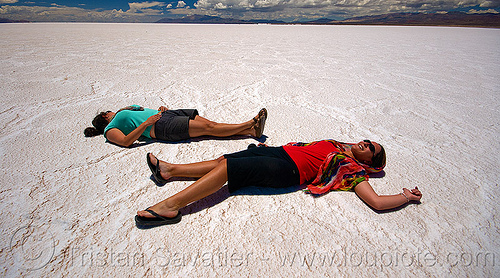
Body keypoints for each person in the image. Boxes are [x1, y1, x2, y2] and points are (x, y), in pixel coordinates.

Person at [135, 139, 422, 227]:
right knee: (224, 160)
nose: (365, 143)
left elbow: (376, 202)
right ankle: (170, 170)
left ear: (370, 162)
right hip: (280, 153)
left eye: (370, 148)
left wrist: (405, 196)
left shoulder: (351, 169)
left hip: (288, 170)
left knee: (228, 171)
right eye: (369, 141)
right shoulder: (340, 144)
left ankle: (171, 206)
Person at [84, 105, 267, 147]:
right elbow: (125, 141)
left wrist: (158, 110)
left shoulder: (121, 111)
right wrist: (146, 124)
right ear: (104, 117)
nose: (110, 112)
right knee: (209, 130)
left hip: (166, 115)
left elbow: (139, 110)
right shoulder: (109, 131)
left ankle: (251, 131)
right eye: (107, 112)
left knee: (211, 124)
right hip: (161, 128)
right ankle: (250, 123)